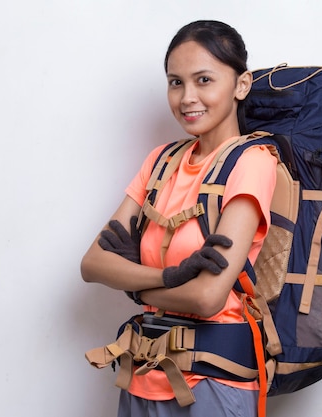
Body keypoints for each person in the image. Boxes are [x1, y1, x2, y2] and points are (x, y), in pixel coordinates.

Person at [81, 20, 277, 417]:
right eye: (176, 82)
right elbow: (92, 264)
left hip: (213, 384)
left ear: (241, 85)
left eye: (204, 79)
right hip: (140, 374)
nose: (188, 97)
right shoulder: (161, 161)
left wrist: (134, 286)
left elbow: (207, 298)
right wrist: (168, 278)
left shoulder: (252, 163)